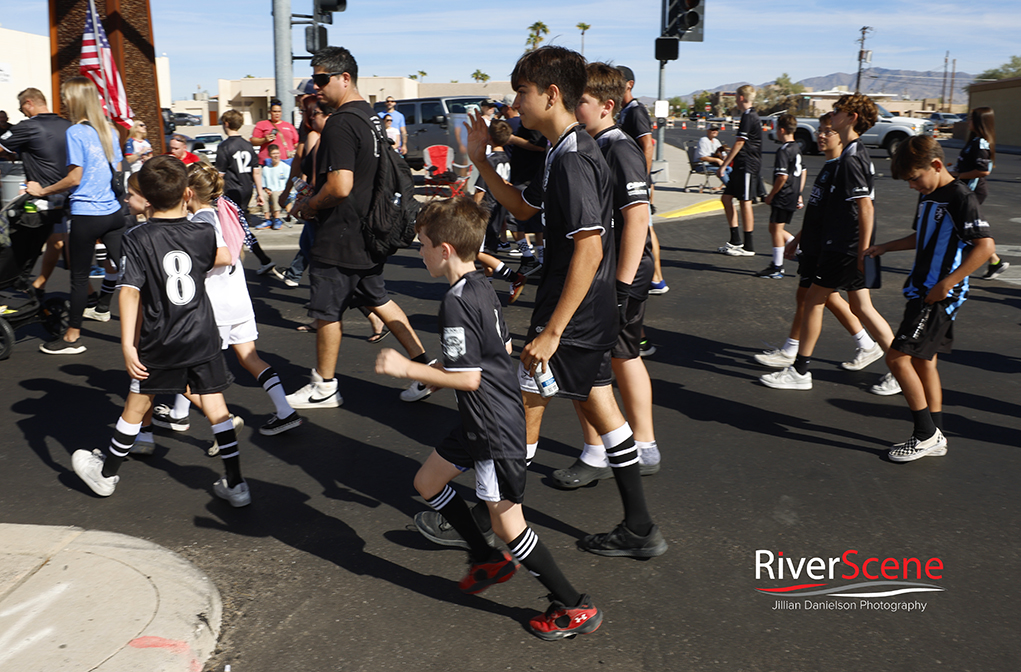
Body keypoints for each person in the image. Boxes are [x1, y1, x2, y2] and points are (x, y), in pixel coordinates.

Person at [461, 46, 667, 558]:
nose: (515, 104)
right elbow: (524, 209)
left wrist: (552, 330)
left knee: (524, 405)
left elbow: (590, 246)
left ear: (552, 95)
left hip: (572, 311)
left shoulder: (575, 158)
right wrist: (482, 160)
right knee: (600, 403)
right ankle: (640, 528)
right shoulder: (560, 150)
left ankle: (494, 524)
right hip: (578, 307)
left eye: (522, 93)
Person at [375, 197, 602, 640]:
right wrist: (437, 375)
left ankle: (574, 605)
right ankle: (484, 557)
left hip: (494, 425)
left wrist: (411, 369)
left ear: (444, 250)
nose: (418, 252)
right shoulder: (478, 286)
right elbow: (473, 363)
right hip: (482, 418)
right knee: (426, 483)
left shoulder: (456, 303)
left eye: (422, 245)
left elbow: (471, 378)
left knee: (508, 524)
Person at [70, 155, 251, 507]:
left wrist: (127, 345)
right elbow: (221, 256)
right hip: (202, 331)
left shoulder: (137, 237)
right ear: (187, 193)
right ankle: (237, 484)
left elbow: (129, 291)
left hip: (161, 336)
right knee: (217, 407)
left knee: (137, 405)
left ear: (147, 200)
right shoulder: (202, 230)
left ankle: (105, 474)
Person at [286, 46, 433, 408]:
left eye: (322, 79)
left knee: (326, 311)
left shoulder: (339, 123)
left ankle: (324, 386)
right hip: (369, 231)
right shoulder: (369, 118)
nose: (316, 87)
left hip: (341, 233)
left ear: (344, 78)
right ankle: (424, 367)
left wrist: (308, 204)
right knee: (378, 298)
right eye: (313, 80)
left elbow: (340, 186)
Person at [553, 62, 660, 488]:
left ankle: (643, 445)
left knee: (619, 355)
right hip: (603, 274)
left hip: (621, 275)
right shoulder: (589, 146)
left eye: (581, 100)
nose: (573, 107)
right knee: (606, 359)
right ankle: (600, 449)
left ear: (607, 106)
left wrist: (619, 286)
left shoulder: (619, 147)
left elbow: (637, 219)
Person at [864, 136, 995, 461]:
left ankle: (924, 435)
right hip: (921, 290)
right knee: (924, 361)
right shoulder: (929, 195)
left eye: (914, 178)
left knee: (896, 359)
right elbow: (921, 236)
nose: (911, 186)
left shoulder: (960, 198)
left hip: (935, 296)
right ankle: (935, 434)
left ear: (936, 166)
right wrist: (885, 247)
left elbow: (985, 247)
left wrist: (947, 284)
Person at [151, 162, 302, 436]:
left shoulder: (199, 222)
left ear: (188, 193)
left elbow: (221, 256)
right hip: (238, 300)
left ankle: (210, 419)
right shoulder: (223, 211)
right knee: (250, 358)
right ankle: (285, 411)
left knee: (190, 365)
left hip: (216, 306)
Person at [760, 94, 896, 392]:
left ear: (852, 118)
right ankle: (901, 365)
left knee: (813, 301)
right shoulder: (848, 154)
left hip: (845, 247)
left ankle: (800, 370)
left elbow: (866, 206)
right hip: (843, 245)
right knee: (859, 308)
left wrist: (862, 250)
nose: (831, 116)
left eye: (837, 112)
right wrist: (800, 239)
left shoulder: (852, 157)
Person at [27, 77, 124, 353]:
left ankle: (71, 337)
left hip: (86, 213)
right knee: (132, 272)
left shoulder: (76, 132)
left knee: (79, 278)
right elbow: (116, 170)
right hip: (113, 213)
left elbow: (74, 178)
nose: (65, 101)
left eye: (66, 97)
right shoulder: (109, 130)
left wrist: (42, 190)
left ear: (76, 99)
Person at [0, 87, 72, 299]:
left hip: (40, 198)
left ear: (30, 102)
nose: (22, 112)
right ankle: (36, 285)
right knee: (57, 242)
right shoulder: (68, 126)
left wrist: (6, 153)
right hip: (67, 195)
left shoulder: (29, 126)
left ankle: (17, 281)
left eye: (22, 107)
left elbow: (2, 143)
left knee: (18, 241)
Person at [616, 65, 668, 295]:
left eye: (618, 82)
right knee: (645, 230)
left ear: (629, 84)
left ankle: (657, 278)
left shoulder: (636, 111)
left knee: (645, 231)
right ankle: (655, 278)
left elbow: (647, 144)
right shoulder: (625, 110)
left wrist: (642, 181)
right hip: (633, 182)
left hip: (637, 183)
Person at [215, 109, 278, 277]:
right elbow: (256, 172)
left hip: (231, 190)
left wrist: (214, 193)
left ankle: (235, 264)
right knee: (241, 227)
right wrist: (259, 193)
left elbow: (220, 174)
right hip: (246, 189)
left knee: (232, 228)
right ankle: (262, 259)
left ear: (226, 124)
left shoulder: (224, 146)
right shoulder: (248, 145)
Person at [471, 120, 527, 301]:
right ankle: (486, 290)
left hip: (487, 210)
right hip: (500, 209)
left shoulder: (490, 162)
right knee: (485, 253)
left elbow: (480, 191)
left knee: (474, 251)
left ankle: (513, 277)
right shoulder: (507, 160)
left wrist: (472, 212)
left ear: (488, 138)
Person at [948, 107, 1006, 280]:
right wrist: (954, 169)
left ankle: (959, 267)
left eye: (971, 119)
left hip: (972, 192)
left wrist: (957, 175)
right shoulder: (974, 141)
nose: (968, 122)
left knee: (963, 229)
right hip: (965, 190)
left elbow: (983, 171)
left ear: (980, 122)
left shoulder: (980, 143)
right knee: (968, 228)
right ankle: (995, 262)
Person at [755, 113, 804, 279]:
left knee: (776, 229)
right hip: (792, 194)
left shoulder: (783, 150)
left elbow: (782, 176)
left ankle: (777, 266)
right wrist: (799, 193)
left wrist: (771, 194)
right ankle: (798, 251)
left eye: (776, 128)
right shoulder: (796, 147)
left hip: (783, 195)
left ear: (781, 130)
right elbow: (802, 172)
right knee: (774, 228)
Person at [716, 84, 762, 257]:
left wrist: (723, 165)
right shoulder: (747, 115)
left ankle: (748, 246)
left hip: (748, 165)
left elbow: (740, 142)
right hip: (741, 165)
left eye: (736, 97)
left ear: (741, 97)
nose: (735, 100)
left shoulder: (749, 116)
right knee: (726, 198)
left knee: (745, 202)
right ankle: (735, 240)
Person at [260, 144, 289, 229]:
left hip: (281, 191)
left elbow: (289, 182)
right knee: (262, 194)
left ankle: (277, 219)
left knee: (275, 194)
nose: (276, 155)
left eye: (277, 153)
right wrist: (266, 190)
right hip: (270, 191)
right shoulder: (266, 169)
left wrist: (284, 190)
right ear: (270, 155)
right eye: (273, 153)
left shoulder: (285, 167)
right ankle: (267, 219)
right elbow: (263, 184)